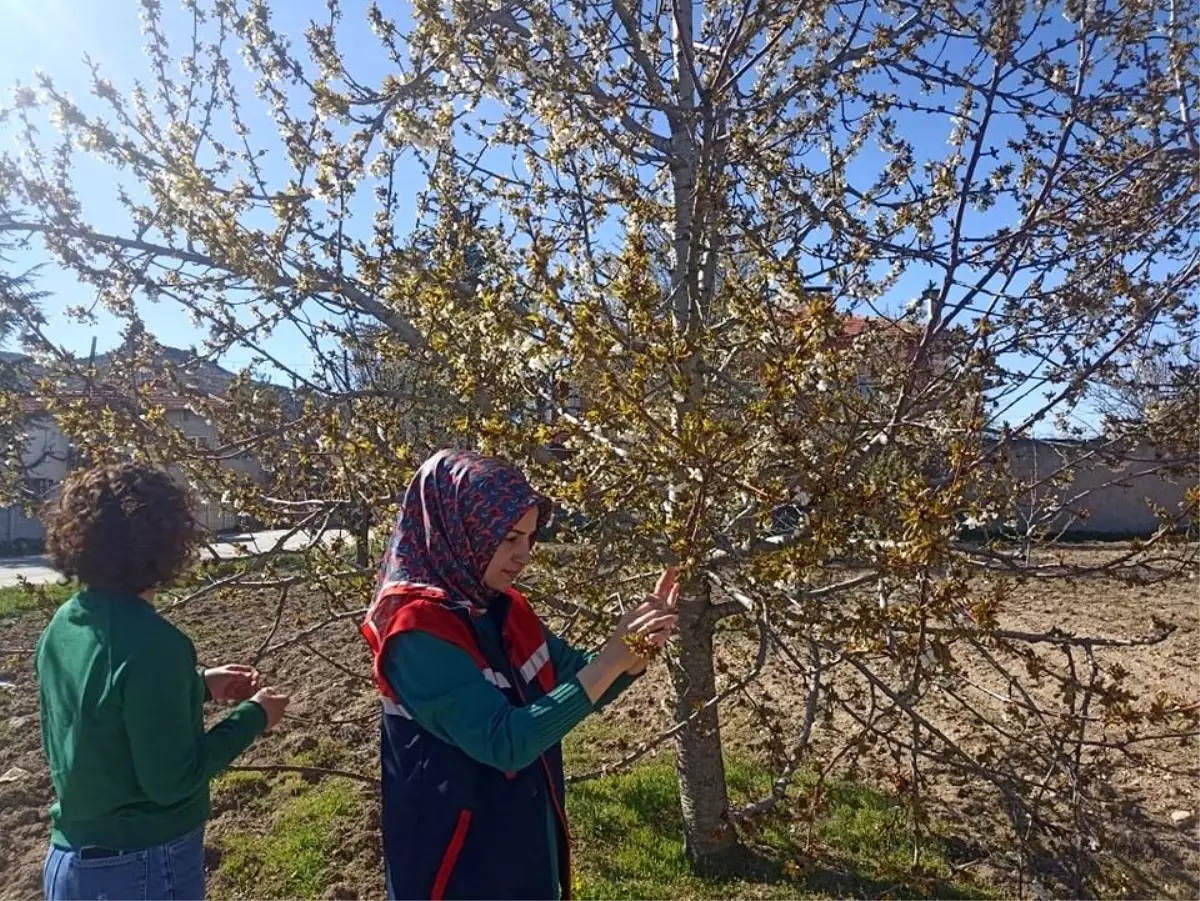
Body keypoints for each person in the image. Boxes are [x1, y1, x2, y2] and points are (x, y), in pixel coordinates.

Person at [361, 449, 679, 901]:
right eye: (509, 537)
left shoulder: (501, 608)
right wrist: (611, 660)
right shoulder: (415, 633)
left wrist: (635, 649)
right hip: (454, 867)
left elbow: (578, 678)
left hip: (518, 848)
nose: (523, 555)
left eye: (530, 538)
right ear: (462, 528)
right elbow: (505, 743)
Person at [35, 462, 290, 901]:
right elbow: (172, 780)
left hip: (70, 864)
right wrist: (254, 717)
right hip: (140, 867)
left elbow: (106, 706)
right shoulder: (156, 644)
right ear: (168, 541)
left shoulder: (66, 624)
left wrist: (198, 686)